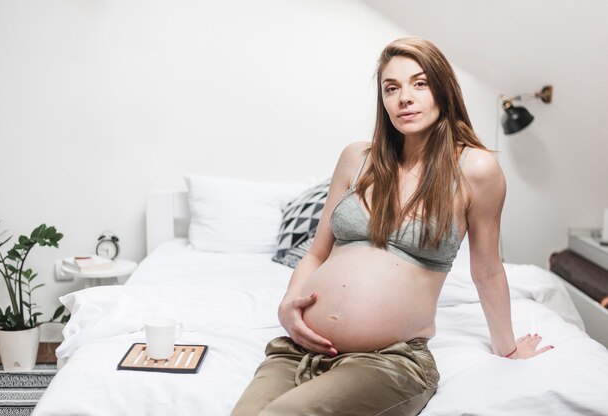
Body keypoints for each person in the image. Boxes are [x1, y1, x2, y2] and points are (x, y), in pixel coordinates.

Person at [231, 36, 552, 416]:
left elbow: (486, 269)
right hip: (300, 347)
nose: (404, 97)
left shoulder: (475, 169)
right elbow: (316, 253)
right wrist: (288, 306)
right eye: (391, 88)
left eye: (420, 83)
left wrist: (508, 347)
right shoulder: (356, 158)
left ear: (443, 89)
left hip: (389, 361)